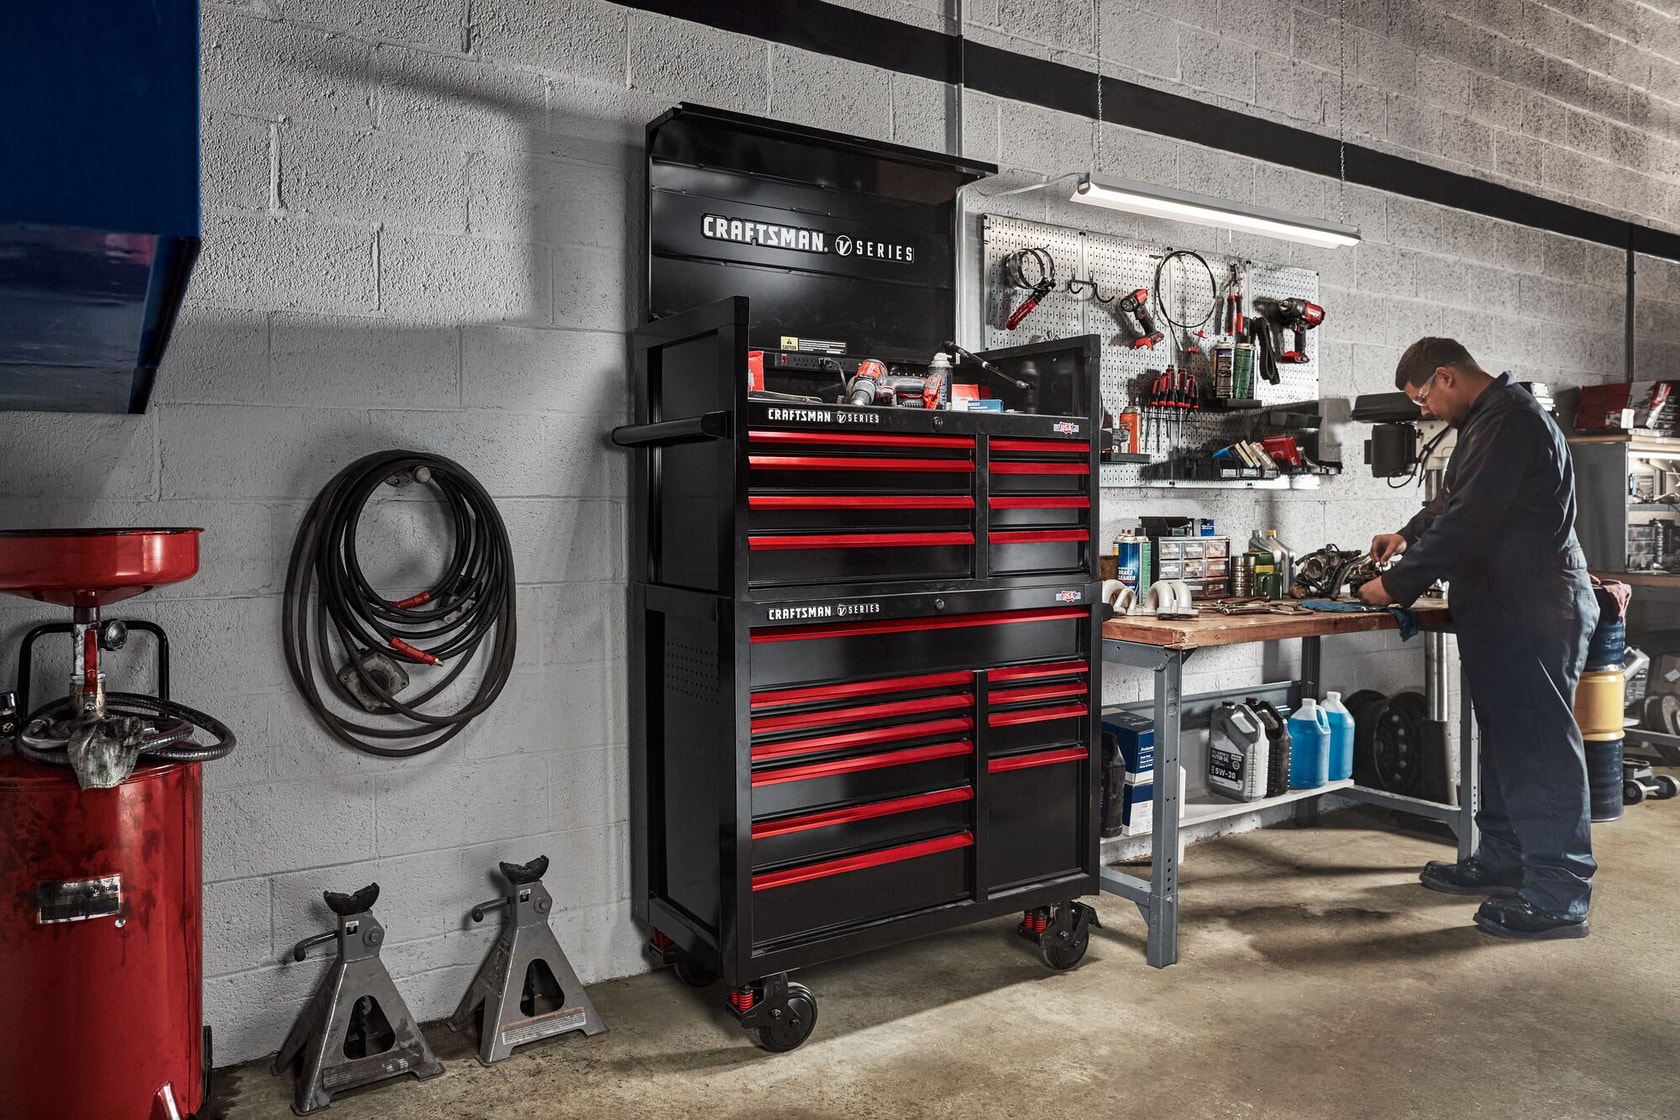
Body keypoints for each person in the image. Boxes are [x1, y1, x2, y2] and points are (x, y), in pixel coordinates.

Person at [1358, 337, 1598, 941]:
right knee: (1506, 738)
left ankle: (1559, 895)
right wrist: (1407, 533)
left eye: (1421, 399)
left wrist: (1397, 586)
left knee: (1538, 745)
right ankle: (1503, 859)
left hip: (1533, 604)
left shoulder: (1512, 418)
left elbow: (1471, 520)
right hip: (1505, 603)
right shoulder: (1490, 421)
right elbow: (1456, 502)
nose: (1422, 413)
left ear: (1445, 377)